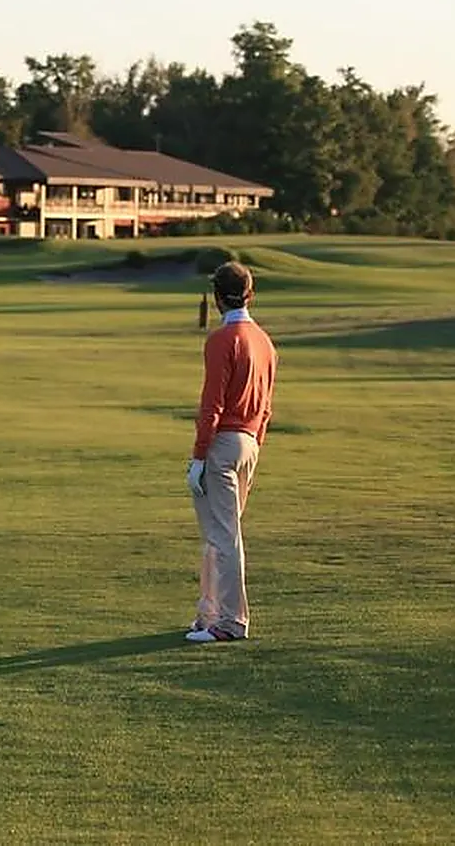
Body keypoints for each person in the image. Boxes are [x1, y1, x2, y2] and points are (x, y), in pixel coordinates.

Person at [184, 261, 277, 643]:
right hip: (250, 442)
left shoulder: (222, 340)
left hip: (223, 444)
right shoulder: (265, 342)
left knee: (223, 536)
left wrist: (200, 456)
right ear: (250, 295)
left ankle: (230, 622)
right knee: (217, 534)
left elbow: (213, 405)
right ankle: (208, 613)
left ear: (219, 298)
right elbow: (266, 407)